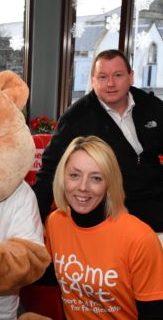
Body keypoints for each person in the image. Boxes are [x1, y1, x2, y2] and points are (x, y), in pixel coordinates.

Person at [34, 49, 163, 240]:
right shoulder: (75, 118)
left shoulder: (152, 106)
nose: (110, 83)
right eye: (102, 77)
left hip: (156, 203)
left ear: (131, 77)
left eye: (118, 75)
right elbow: (50, 171)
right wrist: (34, 222)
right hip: (109, 211)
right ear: (93, 81)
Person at [45, 135, 163, 319]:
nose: (83, 187)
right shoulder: (56, 222)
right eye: (74, 175)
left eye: (96, 178)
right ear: (62, 177)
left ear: (109, 184)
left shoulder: (139, 238)